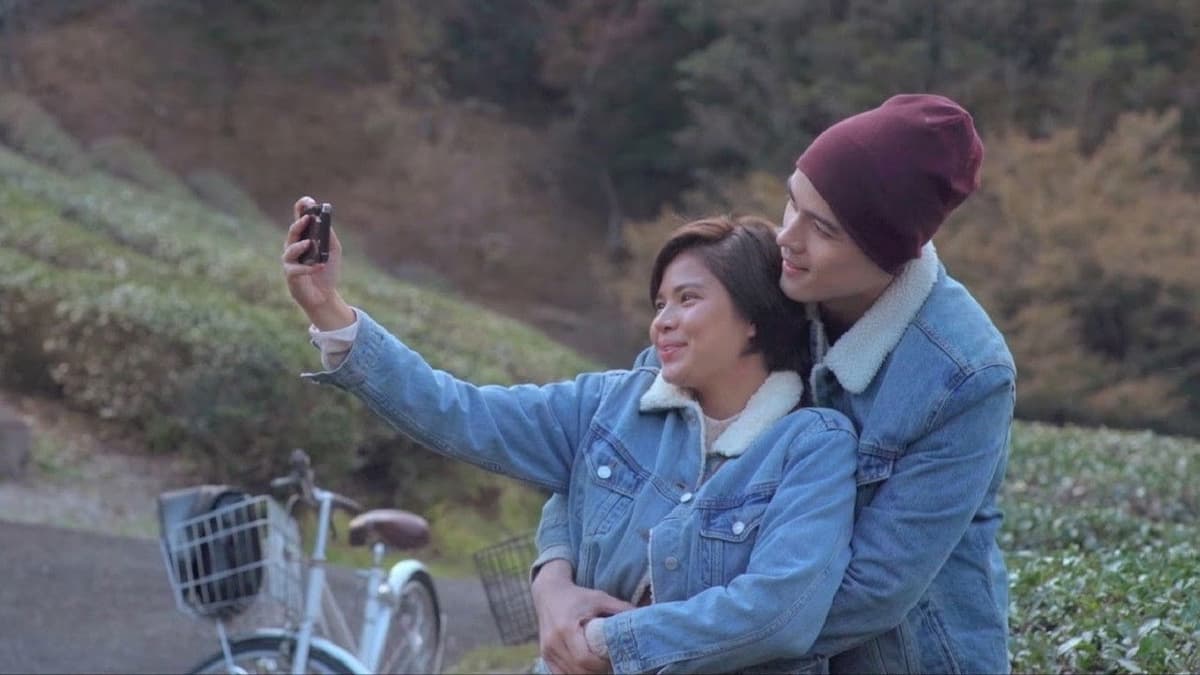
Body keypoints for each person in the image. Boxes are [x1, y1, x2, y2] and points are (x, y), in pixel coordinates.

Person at [532, 93, 1017, 674]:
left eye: (823, 229)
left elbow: (869, 592)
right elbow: (617, 440)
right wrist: (554, 582)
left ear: (887, 255)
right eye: (793, 202)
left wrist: (638, 641)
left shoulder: (966, 375)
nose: (788, 236)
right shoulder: (767, 276)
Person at [282, 212, 861, 673]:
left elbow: (779, 612)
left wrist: (610, 642)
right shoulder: (610, 404)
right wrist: (330, 311)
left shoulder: (812, 446)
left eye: (688, 299)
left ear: (753, 317)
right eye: (659, 303)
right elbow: (461, 413)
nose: (663, 320)